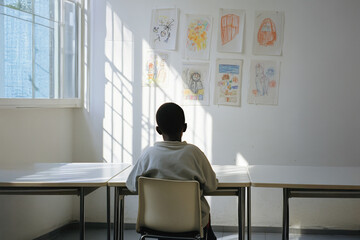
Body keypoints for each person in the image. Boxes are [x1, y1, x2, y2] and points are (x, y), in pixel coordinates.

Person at [126, 102, 218, 240]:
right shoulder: (194, 154)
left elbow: (132, 185)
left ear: (158, 130)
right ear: (185, 127)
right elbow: (211, 187)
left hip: (157, 224)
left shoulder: (148, 155)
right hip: (192, 226)